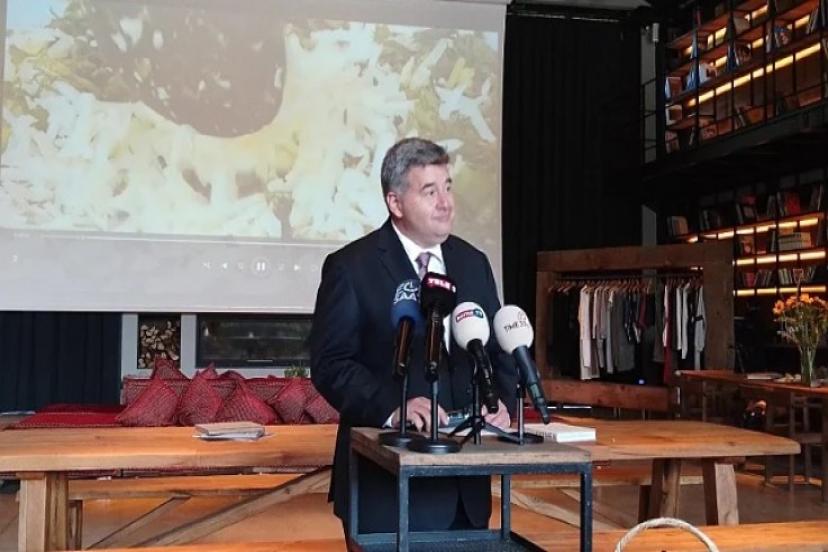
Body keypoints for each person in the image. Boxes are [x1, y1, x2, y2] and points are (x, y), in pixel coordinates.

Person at [310, 137, 517, 538]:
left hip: (466, 491)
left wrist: (502, 404)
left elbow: (498, 350)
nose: (446, 202)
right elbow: (331, 364)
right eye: (429, 191)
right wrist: (392, 406)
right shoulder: (351, 267)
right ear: (395, 202)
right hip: (385, 492)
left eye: (448, 187)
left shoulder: (473, 263)